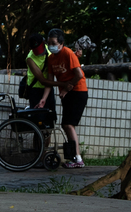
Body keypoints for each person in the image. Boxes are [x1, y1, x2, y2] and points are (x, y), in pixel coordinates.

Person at [46, 28, 88, 168]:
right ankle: (74, 158)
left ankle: (77, 159)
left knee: (68, 124)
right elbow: (50, 81)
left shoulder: (68, 53)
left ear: (61, 43)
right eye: (49, 43)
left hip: (78, 91)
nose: (51, 46)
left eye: (53, 43)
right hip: (66, 93)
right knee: (66, 125)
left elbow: (79, 75)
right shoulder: (51, 59)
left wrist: (67, 87)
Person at [25, 33, 55, 117]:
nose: (38, 53)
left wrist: (44, 98)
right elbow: (43, 81)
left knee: (50, 117)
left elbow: (50, 78)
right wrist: (61, 84)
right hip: (36, 89)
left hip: (48, 89)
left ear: (43, 43)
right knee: (38, 118)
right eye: (35, 50)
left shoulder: (50, 53)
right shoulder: (30, 58)